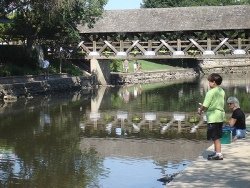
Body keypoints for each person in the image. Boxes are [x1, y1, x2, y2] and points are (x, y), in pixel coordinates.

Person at [198, 73, 225, 160]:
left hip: (213, 117)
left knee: (215, 137)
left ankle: (218, 154)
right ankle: (216, 152)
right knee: (216, 136)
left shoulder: (210, 92)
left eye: (209, 81)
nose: (208, 83)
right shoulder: (221, 91)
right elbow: (215, 103)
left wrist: (200, 109)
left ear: (213, 82)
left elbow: (205, 105)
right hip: (220, 115)